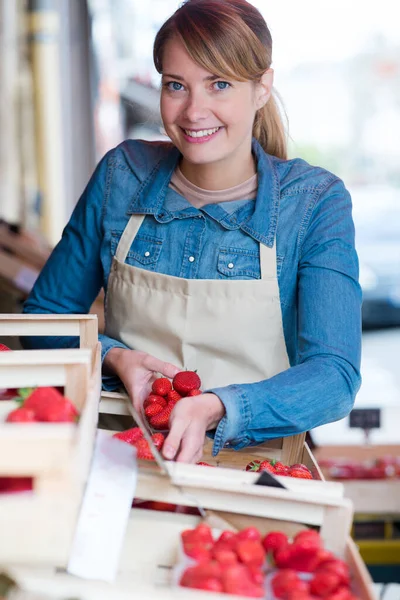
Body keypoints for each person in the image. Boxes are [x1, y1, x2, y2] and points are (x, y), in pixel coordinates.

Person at [22, 0, 362, 464]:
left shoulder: (313, 202)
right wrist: (114, 357)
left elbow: (335, 377)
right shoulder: (122, 176)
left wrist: (219, 406)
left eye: (219, 84)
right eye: (175, 85)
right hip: (117, 463)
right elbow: (44, 320)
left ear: (262, 87)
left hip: (252, 471)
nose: (193, 111)